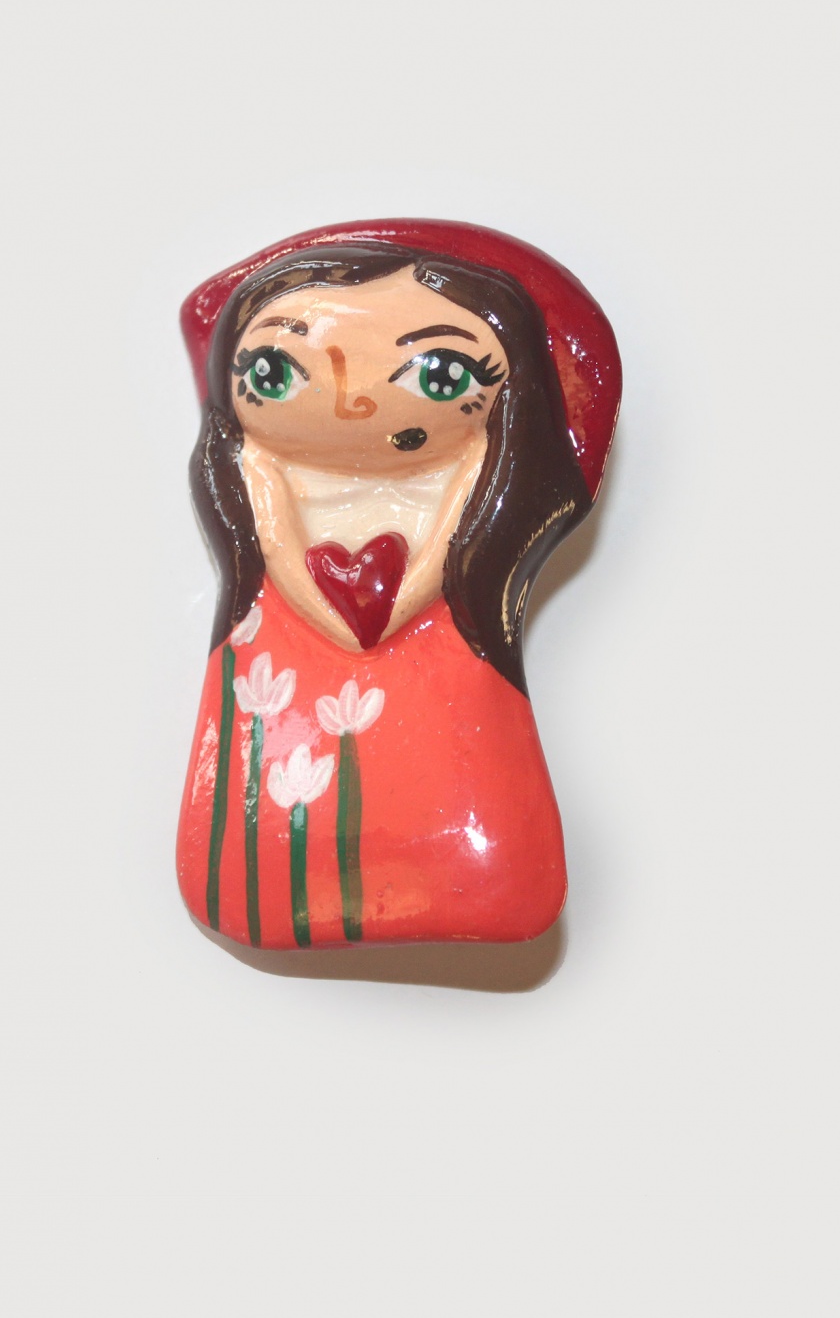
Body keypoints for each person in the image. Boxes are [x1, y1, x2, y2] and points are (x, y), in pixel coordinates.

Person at [175, 219, 621, 948]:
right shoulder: (260, 497)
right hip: (270, 679)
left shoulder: (474, 519)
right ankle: (270, 881)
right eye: (276, 370)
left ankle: (475, 874)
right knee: (260, 817)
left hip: (459, 710)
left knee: (466, 772)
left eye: (440, 372)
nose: (352, 405)